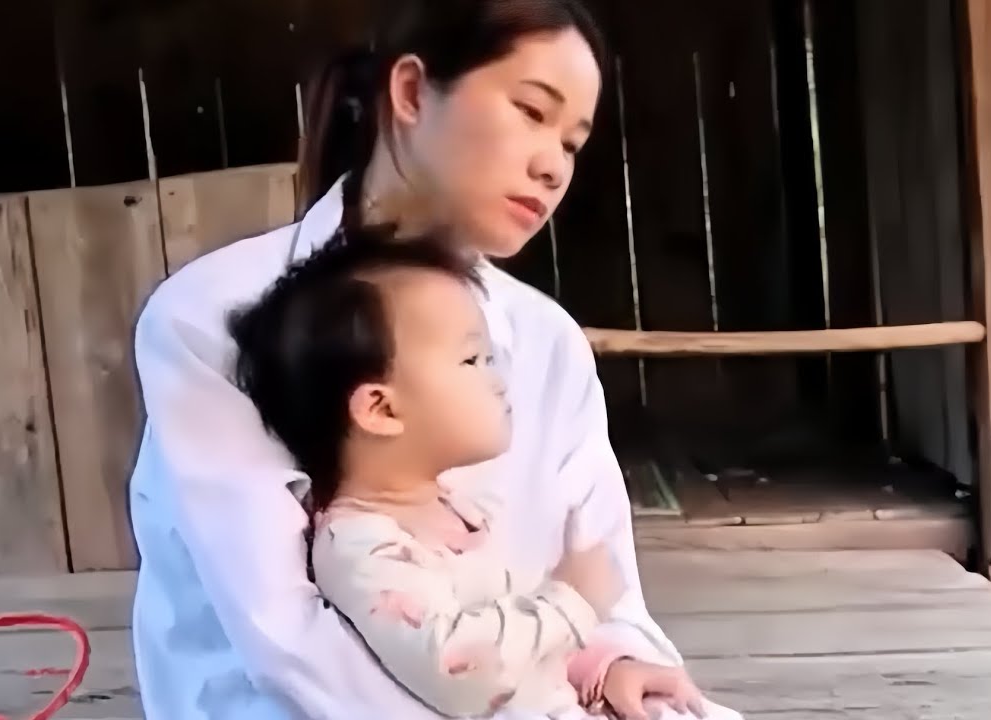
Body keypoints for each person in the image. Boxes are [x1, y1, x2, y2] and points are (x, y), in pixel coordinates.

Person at [127, 1, 743, 718]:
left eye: (573, 144)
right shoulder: (213, 316)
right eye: (531, 111)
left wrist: (622, 660)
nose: (552, 167)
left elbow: (604, 581)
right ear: (413, 92)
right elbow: (290, 647)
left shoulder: (547, 342)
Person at [227, 230, 635, 716]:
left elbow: (517, 632)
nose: (497, 377)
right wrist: (573, 601)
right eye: (472, 358)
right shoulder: (362, 548)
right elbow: (458, 671)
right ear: (380, 408)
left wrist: (603, 668)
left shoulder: (460, 510)